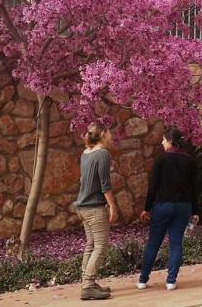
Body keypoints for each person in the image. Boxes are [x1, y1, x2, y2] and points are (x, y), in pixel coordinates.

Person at [137, 128, 199, 290]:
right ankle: (171, 281)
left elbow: (153, 187)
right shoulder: (190, 161)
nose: (162, 143)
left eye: (164, 140)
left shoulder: (160, 159)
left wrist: (147, 208)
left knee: (153, 244)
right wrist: (195, 211)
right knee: (176, 243)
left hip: (163, 206)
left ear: (171, 141)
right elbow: (195, 188)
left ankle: (143, 280)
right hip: (183, 207)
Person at [75, 123, 120, 301]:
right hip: (94, 207)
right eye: (109, 132)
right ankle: (87, 286)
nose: (111, 135)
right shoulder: (102, 154)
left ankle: (88, 283)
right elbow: (105, 184)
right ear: (103, 134)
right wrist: (113, 207)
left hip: (82, 206)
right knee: (100, 246)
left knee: (91, 245)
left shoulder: (85, 153)